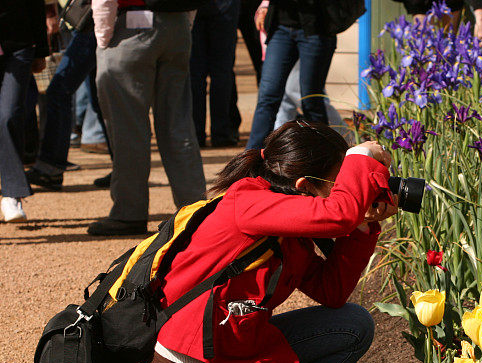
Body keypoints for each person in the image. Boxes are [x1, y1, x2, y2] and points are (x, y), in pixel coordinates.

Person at [150, 120, 396, 363]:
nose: (345, 195)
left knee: (352, 323)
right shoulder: (248, 203)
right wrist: (361, 158)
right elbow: (338, 213)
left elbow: (332, 291)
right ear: (304, 186)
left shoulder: (286, 225)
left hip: (237, 353)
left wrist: (363, 227)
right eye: (337, 185)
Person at [89, 0, 206, 236]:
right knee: (178, 125)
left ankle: (129, 212)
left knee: (128, 129)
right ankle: (196, 209)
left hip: (131, 28)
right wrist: (182, 23)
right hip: (176, 24)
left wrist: (103, 42)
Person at [246, 0, 365, 149]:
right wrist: (264, 6)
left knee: (311, 99)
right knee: (267, 96)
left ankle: (322, 157)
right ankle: (252, 156)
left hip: (317, 29)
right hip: (280, 27)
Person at [26, 25, 111, 191]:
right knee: (98, 99)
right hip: (90, 26)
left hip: (93, 26)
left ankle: (51, 169)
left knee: (59, 91)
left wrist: (51, 14)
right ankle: (123, 170)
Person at [0, 0, 48, 222]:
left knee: (9, 115)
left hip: (19, 44)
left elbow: (35, 4)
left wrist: (41, 50)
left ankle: (12, 194)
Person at [190, 0, 241, 148]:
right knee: (220, 72)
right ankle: (220, 133)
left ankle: (197, 134)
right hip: (223, 8)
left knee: (197, 74)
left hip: (195, 9)